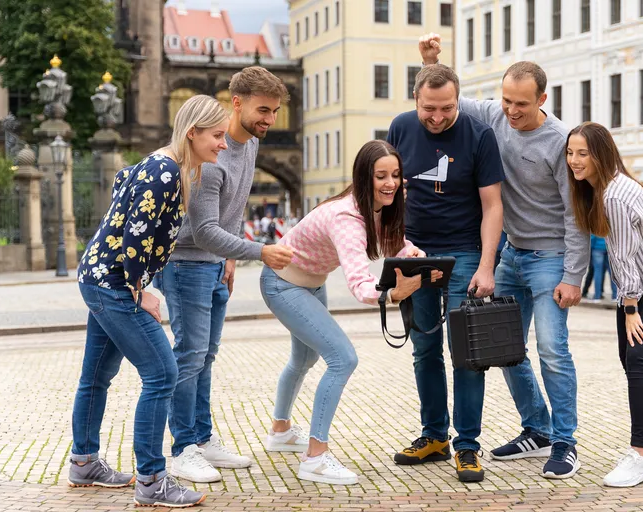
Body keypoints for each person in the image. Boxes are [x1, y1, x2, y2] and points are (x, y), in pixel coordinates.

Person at [417, 35, 589, 479]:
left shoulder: (560, 142)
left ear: (542, 100)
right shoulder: (495, 114)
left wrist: (573, 276)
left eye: (521, 104)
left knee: (552, 349)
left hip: (550, 257)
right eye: (506, 100)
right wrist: (432, 62)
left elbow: (576, 215)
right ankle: (537, 429)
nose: (511, 111)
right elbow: (445, 101)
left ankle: (565, 442)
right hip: (511, 253)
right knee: (503, 347)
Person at [69, 94, 229, 507]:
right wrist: (140, 291)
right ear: (192, 133)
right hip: (114, 285)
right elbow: (136, 233)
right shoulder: (166, 170)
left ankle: (84, 462)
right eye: (217, 135)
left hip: (98, 277)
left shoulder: (160, 164)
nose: (223, 144)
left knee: (96, 375)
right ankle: (153, 480)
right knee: (162, 373)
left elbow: (121, 184)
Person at [260, 140, 440, 485]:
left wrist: (415, 255)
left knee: (304, 358)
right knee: (343, 358)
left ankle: (280, 431)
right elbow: (359, 284)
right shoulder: (346, 216)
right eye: (381, 176)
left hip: (310, 283)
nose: (390, 183)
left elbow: (392, 242)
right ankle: (315, 458)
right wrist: (393, 294)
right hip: (282, 283)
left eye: (396, 175)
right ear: (363, 177)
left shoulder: (377, 208)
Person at [152, 67, 296, 483]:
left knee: (206, 356)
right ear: (237, 103)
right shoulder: (209, 157)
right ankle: (182, 449)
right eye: (263, 110)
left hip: (215, 264)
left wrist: (230, 259)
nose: (270, 119)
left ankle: (201, 437)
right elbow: (203, 231)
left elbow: (231, 211)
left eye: (275, 111)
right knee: (189, 356)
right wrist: (260, 251)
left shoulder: (249, 144)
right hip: (186, 265)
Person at [387, 63, 505, 483]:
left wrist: (487, 266)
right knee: (424, 349)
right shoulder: (400, 128)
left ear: (458, 100)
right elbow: (388, 194)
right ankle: (434, 435)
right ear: (415, 99)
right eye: (429, 109)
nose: (437, 117)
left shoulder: (479, 135)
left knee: (467, 352)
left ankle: (467, 445)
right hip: (414, 253)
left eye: (447, 108)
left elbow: (493, 205)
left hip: (464, 253)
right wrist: (395, 252)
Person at [565, 122, 643, 488]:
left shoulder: (615, 196)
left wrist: (631, 307)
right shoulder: (600, 189)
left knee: (637, 357)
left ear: (601, 155)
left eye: (583, 153)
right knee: (630, 358)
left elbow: (623, 253)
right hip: (642, 282)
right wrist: (629, 301)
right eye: (570, 153)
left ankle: (640, 455)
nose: (574, 160)